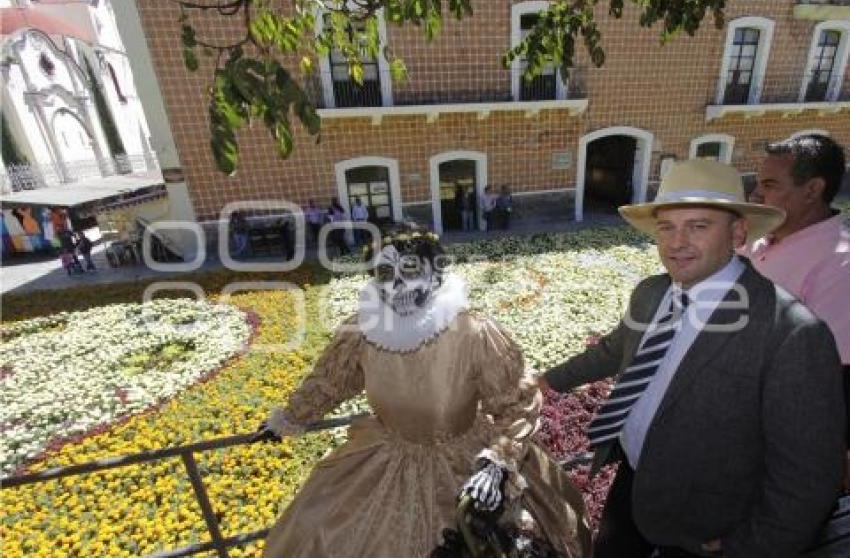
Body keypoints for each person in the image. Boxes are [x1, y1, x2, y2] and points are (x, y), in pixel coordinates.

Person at [542, 159, 845, 557]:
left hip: (707, 525)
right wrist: (545, 382)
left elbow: (808, 477)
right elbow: (616, 349)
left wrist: (747, 548)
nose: (676, 242)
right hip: (631, 488)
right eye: (666, 227)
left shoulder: (792, 335)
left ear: (738, 233)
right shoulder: (651, 292)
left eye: (698, 226)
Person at [255, 224, 591, 558]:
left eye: (411, 269)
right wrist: (288, 418)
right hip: (382, 462)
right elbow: (331, 382)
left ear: (436, 273)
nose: (398, 283)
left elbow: (517, 402)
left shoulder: (473, 334)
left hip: (464, 461)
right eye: (385, 273)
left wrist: (497, 464)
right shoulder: (362, 333)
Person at [741, 133, 850, 488]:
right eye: (758, 184)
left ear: (812, 189)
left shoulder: (840, 265)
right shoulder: (761, 239)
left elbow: (827, 380)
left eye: (770, 185)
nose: (757, 195)